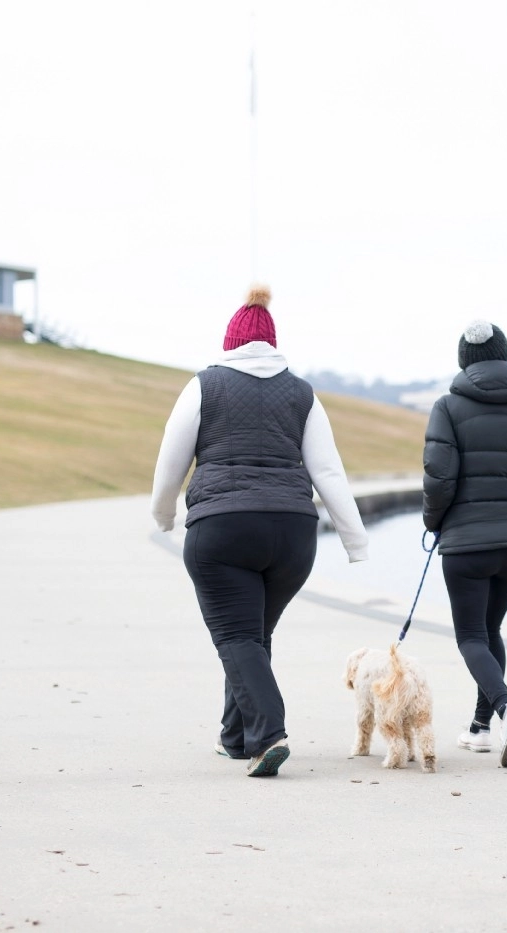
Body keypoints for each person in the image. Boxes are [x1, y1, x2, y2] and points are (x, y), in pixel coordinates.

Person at [150, 285, 369, 777]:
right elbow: (328, 471)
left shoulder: (205, 385)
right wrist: (354, 540)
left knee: (235, 633)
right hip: (293, 535)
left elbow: (171, 460)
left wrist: (163, 517)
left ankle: (268, 735)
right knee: (253, 634)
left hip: (223, 529)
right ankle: (235, 736)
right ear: (274, 345)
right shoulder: (302, 392)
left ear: (229, 344)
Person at [423, 320, 507, 768]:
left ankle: (504, 709)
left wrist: (433, 522)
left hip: (466, 546)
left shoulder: (447, 407)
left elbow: (439, 477)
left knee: (470, 635)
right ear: (504, 355)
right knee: (491, 629)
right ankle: (480, 729)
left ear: (465, 361)